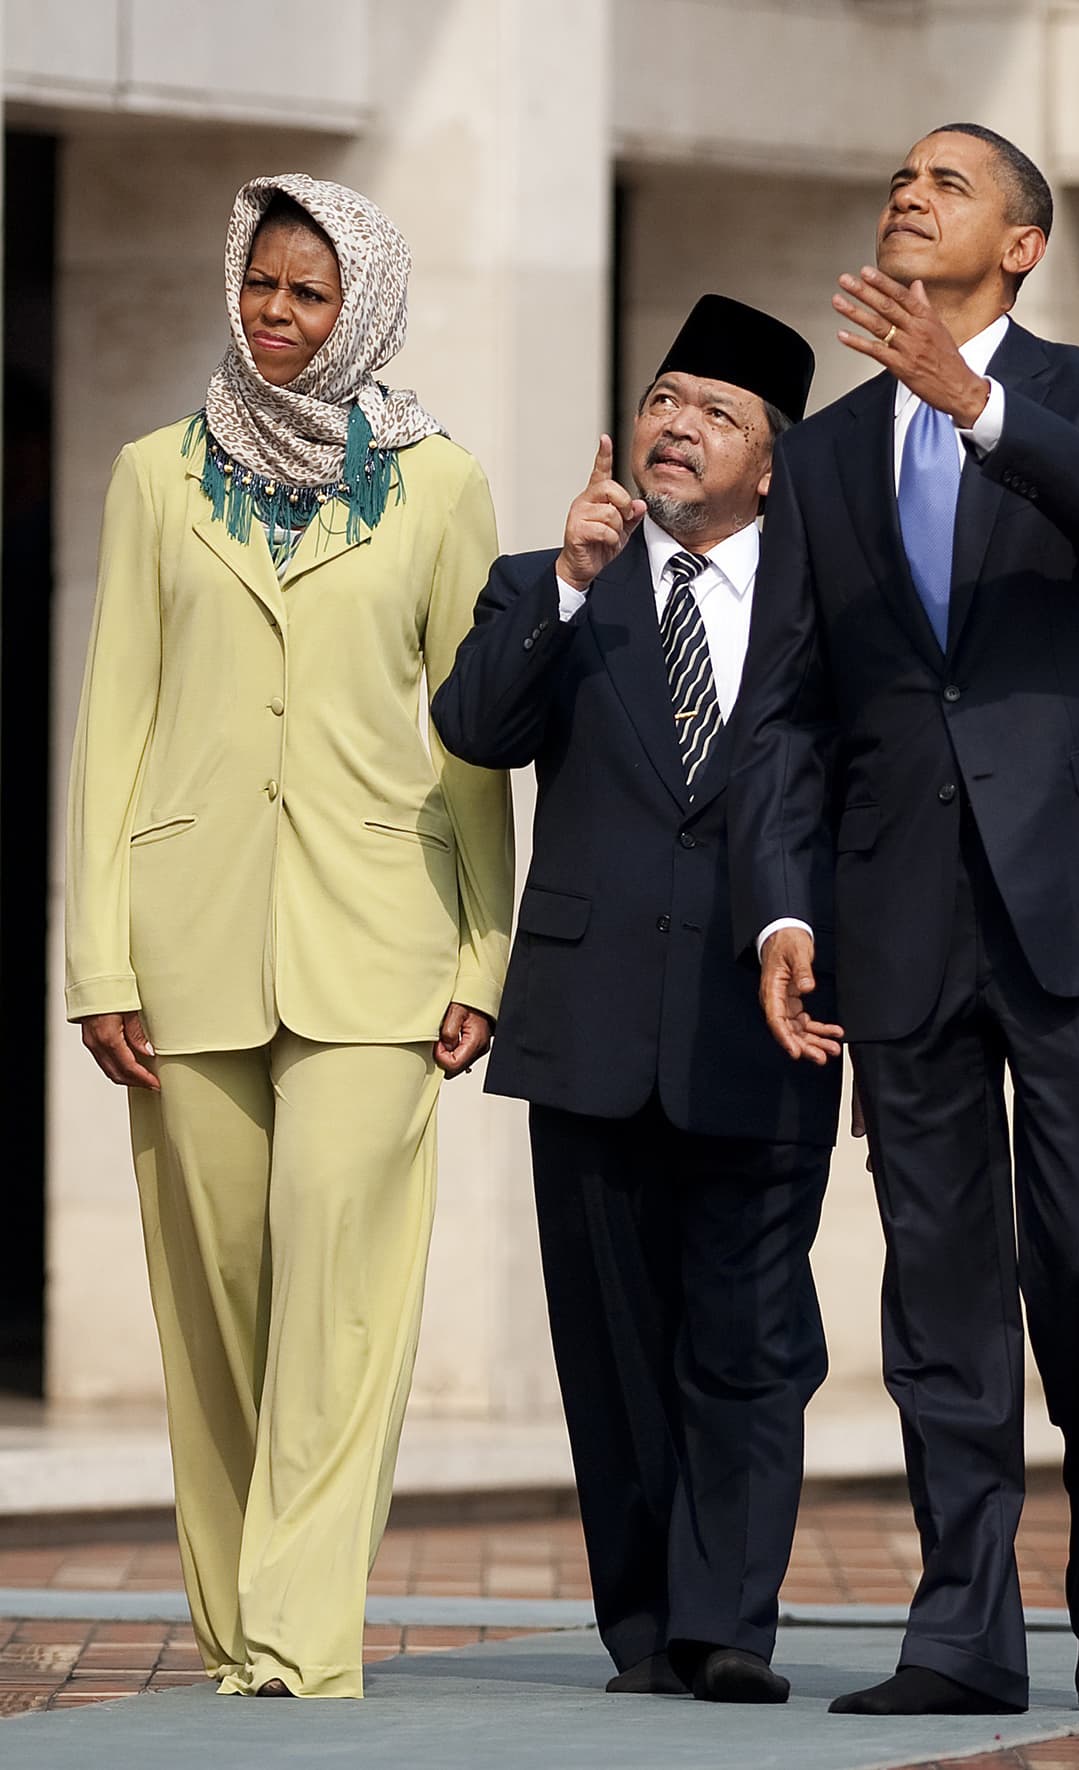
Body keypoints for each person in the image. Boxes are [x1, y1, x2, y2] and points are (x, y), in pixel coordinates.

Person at [730, 125, 1079, 1718]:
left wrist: (974, 403)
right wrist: (784, 908)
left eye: (949, 181)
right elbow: (787, 706)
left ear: (1022, 245)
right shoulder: (820, 455)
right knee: (937, 1279)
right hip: (900, 916)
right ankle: (962, 1632)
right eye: (902, 178)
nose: (909, 193)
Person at [65, 172, 513, 1699]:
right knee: (220, 1301)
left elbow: (471, 741)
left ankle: (300, 1636)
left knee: (340, 1290)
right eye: (261, 284)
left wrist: (485, 951)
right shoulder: (154, 475)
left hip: (381, 940)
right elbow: (112, 726)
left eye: (309, 293)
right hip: (185, 942)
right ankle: (233, 1618)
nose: (276, 314)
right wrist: (100, 956)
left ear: (361, 307)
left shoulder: (441, 486)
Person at [432, 297, 839, 1705]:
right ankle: (647, 1619)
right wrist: (569, 582)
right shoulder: (551, 581)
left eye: (718, 412)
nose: (678, 425)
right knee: (611, 1342)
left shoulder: (825, 606)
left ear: (771, 467)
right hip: (591, 1018)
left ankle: (730, 1621)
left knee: (751, 1331)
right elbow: (474, 727)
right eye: (665, 398)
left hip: (764, 1018)